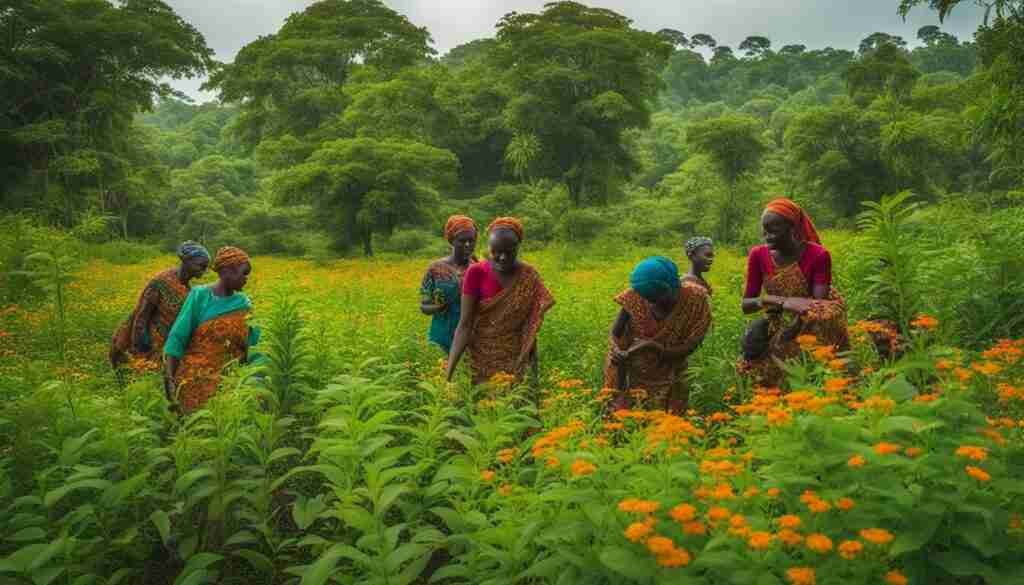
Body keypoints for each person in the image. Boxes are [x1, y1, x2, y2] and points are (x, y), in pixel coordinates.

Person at [739, 197, 849, 387]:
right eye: (764, 230)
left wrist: (795, 327)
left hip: (813, 321)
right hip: (779, 319)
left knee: (821, 373)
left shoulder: (818, 255)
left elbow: (818, 304)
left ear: (792, 228)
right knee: (767, 379)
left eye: (774, 230)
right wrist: (776, 300)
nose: (767, 236)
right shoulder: (758, 255)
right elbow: (747, 305)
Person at [445, 217, 554, 385]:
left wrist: (533, 374)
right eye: (495, 251)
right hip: (479, 359)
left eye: (509, 252)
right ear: (489, 248)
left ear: (518, 247)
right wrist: (448, 375)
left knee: (517, 408)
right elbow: (465, 324)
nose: (502, 257)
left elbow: (531, 327)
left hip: (517, 358)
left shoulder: (529, 276)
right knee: (480, 407)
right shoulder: (476, 272)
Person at [603, 256, 712, 414]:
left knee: (667, 426)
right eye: (648, 299)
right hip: (628, 373)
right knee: (622, 420)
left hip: (671, 371)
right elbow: (615, 333)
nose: (653, 303)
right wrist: (616, 350)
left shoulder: (696, 300)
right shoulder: (635, 295)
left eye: (658, 298)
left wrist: (654, 347)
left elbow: (691, 346)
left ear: (673, 286)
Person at [163, 246, 260, 414]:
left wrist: (255, 381)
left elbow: (255, 346)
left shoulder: (244, 304)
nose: (246, 279)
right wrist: (170, 380)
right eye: (243, 273)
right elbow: (178, 337)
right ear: (227, 271)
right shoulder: (199, 296)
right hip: (194, 382)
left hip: (229, 384)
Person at [109, 241, 210, 371]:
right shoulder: (161, 282)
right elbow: (142, 314)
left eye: (206, 267)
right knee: (140, 374)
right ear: (187, 261)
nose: (204, 270)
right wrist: (141, 343)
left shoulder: (188, 289)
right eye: (201, 265)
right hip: (150, 341)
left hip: (167, 345)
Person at [420, 215, 478, 353]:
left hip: (472, 339)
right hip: (441, 338)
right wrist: (438, 307)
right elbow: (424, 306)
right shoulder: (435, 269)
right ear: (451, 241)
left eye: (471, 240)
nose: (468, 245)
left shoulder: (479, 269)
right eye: (462, 241)